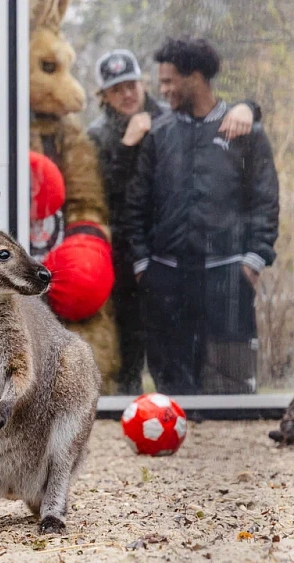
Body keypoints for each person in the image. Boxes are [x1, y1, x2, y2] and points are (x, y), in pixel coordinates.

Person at [87, 48, 260, 395]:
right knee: (128, 340)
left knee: (185, 347)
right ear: (104, 95)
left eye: (131, 84)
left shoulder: (170, 115)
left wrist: (250, 107)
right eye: (116, 89)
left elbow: (212, 114)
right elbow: (99, 193)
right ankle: (129, 404)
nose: (127, 94)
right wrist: (126, 145)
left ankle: (187, 407)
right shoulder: (97, 135)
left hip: (171, 253)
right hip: (121, 252)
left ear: (142, 82)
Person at [124, 38, 279, 395]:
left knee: (232, 387)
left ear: (195, 77)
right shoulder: (159, 133)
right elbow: (137, 203)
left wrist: (253, 260)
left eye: (168, 81)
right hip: (166, 279)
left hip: (226, 276)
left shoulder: (246, 133)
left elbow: (265, 201)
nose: (162, 90)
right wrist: (144, 265)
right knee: (171, 391)